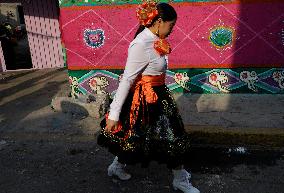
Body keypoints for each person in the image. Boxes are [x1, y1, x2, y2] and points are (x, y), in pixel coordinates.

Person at [97, 1, 200, 193]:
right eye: (171, 25)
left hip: (159, 95)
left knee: (143, 136)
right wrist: (114, 114)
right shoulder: (140, 44)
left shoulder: (154, 38)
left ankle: (118, 167)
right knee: (167, 137)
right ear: (159, 21)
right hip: (144, 100)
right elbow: (127, 79)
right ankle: (179, 179)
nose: (171, 30)